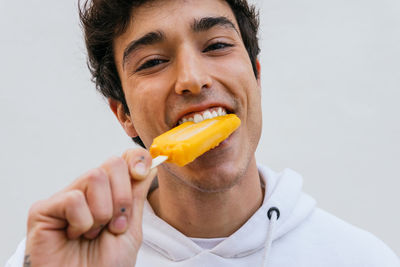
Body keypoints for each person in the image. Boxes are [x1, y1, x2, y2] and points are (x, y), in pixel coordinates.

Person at [7, 0, 400, 266]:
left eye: (216, 45)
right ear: (123, 114)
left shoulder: (358, 257)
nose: (192, 80)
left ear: (256, 77)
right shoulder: (62, 255)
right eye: (154, 61)